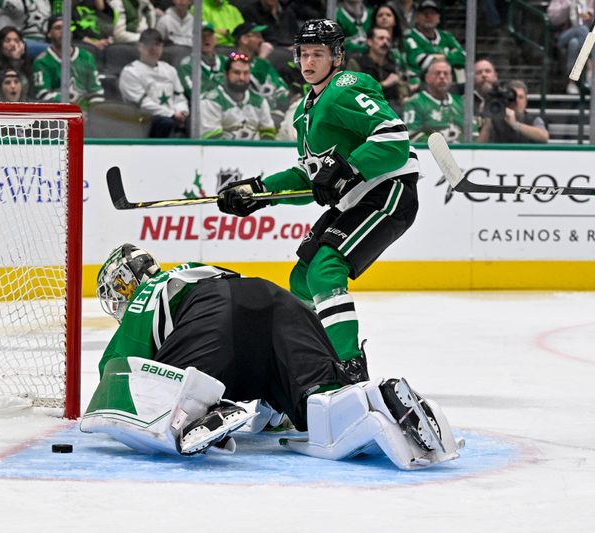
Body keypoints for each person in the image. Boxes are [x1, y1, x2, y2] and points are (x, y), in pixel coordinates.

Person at [82, 243, 462, 469]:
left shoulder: (150, 293)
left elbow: (116, 371)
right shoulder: (199, 270)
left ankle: (197, 410)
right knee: (321, 409)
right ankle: (374, 402)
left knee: (167, 400)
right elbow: (252, 334)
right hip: (278, 302)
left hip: (213, 317)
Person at [217, 19, 420, 376]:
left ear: (337, 56)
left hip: (388, 193)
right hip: (355, 198)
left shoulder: (345, 87)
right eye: (303, 54)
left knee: (326, 270)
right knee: (302, 277)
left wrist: (346, 168)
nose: (308, 62)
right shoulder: (303, 112)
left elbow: (394, 139)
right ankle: (309, 362)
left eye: (318, 54)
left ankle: (349, 369)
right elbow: (308, 178)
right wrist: (258, 192)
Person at [119, 28, 189, 138]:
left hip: (173, 119)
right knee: (166, 123)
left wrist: (182, 111)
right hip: (143, 122)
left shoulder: (169, 70)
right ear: (139, 46)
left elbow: (179, 97)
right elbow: (143, 105)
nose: (153, 49)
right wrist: (171, 114)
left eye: (157, 44)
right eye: (148, 44)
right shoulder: (130, 72)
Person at [33, 14, 104, 110]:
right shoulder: (42, 62)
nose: (63, 31)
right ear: (49, 33)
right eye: (58, 28)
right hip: (58, 115)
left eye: (67, 27)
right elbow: (43, 95)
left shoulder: (86, 57)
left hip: (87, 116)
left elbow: (96, 92)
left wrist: (94, 113)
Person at [200, 51, 275, 140]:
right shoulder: (210, 101)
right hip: (223, 152)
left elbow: (268, 133)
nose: (242, 78)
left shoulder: (260, 101)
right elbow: (212, 140)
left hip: (255, 152)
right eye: (237, 73)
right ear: (226, 74)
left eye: (246, 73)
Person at [402, 58, 474, 143]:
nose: (442, 76)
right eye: (437, 73)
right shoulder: (415, 103)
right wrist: (441, 146)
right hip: (430, 154)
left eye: (446, 73)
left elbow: (473, 134)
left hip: (463, 154)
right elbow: (411, 135)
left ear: (451, 78)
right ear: (427, 78)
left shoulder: (462, 103)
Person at [233, 21, 290, 125]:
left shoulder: (262, 63)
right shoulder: (232, 63)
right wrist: (262, 58)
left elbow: (280, 86)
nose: (262, 41)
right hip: (251, 113)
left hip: (279, 111)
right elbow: (248, 85)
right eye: (257, 36)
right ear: (244, 39)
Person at [346, 26, 411, 115]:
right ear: (369, 41)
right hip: (365, 111)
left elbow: (401, 87)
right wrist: (384, 84)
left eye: (388, 39)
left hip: (391, 109)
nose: (385, 42)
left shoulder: (393, 65)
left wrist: (404, 96)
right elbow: (352, 92)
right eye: (381, 38)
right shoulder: (356, 63)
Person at [404, 0, 466, 83]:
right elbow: (421, 61)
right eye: (425, 13)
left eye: (432, 14)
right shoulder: (409, 36)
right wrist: (449, 55)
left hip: (448, 85)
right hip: (421, 85)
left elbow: (464, 58)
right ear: (417, 17)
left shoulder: (446, 36)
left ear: (438, 18)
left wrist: (434, 56)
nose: (429, 17)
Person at [478, 80, 550, 143]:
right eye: (513, 97)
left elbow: (544, 137)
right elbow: (478, 147)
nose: (517, 101)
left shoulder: (533, 120)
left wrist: (515, 124)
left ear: (526, 101)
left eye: (520, 97)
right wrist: (488, 120)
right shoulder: (495, 121)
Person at [547, 0, 594, 94]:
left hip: (583, 38)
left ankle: (571, 82)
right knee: (584, 31)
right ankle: (590, 66)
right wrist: (568, 6)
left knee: (574, 43)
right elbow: (553, 19)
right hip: (563, 36)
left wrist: (589, 13)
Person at [0, 26, 32, 100]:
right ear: (0, 44)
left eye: (16, 41)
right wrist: (15, 61)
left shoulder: (25, 64)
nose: (13, 44)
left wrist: (18, 61)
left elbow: (30, 92)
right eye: (7, 41)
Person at [178, 22, 226, 99]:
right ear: (193, 40)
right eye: (202, 36)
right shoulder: (187, 65)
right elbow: (195, 95)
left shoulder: (226, 60)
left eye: (209, 35)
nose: (206, 39)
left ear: (215, 39)